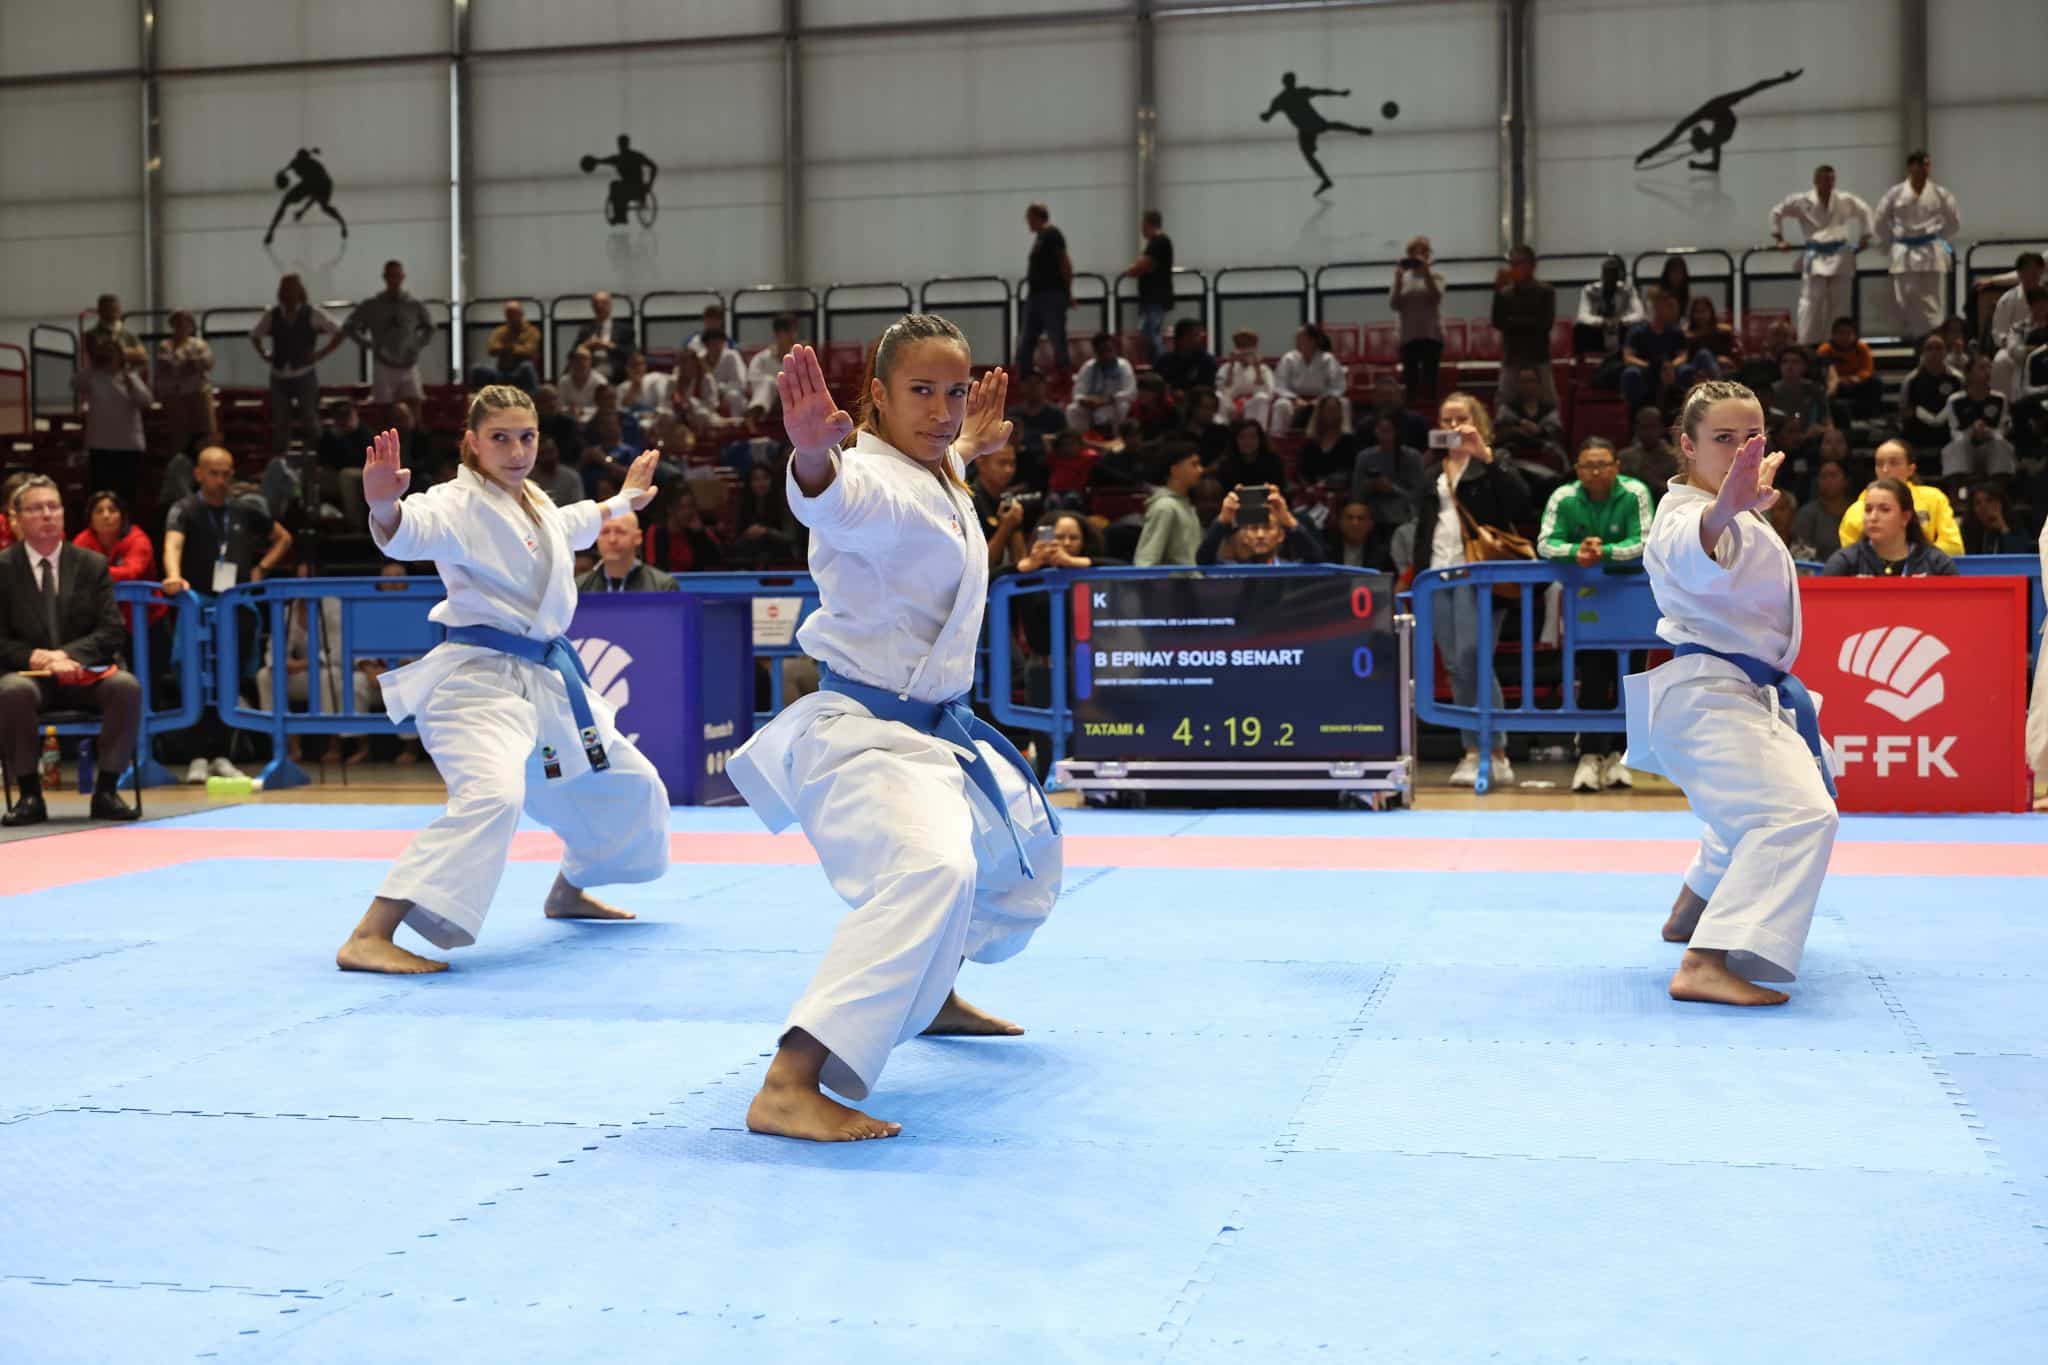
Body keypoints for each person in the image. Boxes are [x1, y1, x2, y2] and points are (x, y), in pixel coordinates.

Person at [726, 320, 1062, 1142]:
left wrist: (970, 444)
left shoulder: (932, 468)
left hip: (934, 731)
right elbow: (834, 499)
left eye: (955, 392)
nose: (944, 410)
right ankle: (791, 1079)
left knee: (1019, 863)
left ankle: (931, 988)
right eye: (921, 391)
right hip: (867, 736)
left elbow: (940, 469)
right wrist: (812, 456)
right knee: (930, 869)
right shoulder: (868, 479)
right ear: (876, 395)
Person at [335, 388, 669, 971]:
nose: (516, 451)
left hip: (541, 680)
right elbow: (412, 529)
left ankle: (569, 889)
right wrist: (385, 506)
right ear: (472, 442)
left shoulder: (533, 500)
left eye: (527, 437)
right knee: (492, 797)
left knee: (629, 781)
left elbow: (571, 524)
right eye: (500, 438)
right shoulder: (456, 503)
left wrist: (623, 502)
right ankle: (370, 932)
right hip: (476, 684)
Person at [1628, 379, 1838, 1005]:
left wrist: (1737, 506)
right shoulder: (1684, 516)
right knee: (1798, 814)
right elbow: (1693, 544)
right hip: (1707, 698)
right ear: (1687, 445)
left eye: (1752, 438)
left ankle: (1690, 912)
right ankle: (1706, 960)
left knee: (1759, 802)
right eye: (1723, 438)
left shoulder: (1739, 509)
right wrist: (1726, 509)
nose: (1741, 451)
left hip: (1734, 692)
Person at [0, 475, 144, 825]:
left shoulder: (91, 564)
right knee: (11, 691)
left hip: (84, 675)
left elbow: (112, 630)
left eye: (54, 507)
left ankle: (106, 791)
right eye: (36, 508)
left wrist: (68, 655)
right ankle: (30, 795)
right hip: (30, 677)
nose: (47, 514)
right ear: (17, 519)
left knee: (126, 686)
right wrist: (33, 656)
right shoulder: (3, 568)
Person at [1411, 393, 1530, 786]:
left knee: (1473, 657)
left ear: (1477, 421)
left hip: (1479, 576)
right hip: (1437, 574)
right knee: (1454, 666)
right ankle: (1472, 751)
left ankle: (1496, 751)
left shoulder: (1493, 462)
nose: (1452, 426)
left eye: (1460, 418)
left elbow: (1520, 503)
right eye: (1445, 419)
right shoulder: (1432, 470)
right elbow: (1424, 527)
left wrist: (1486, 456)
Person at [162, 446, 291, 782]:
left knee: (227, 678)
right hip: (196, 606)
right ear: (199, 474)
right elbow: (173, 544)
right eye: (213, 473)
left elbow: (283, 538)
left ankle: (221, 755)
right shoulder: (184, 509)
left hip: (234, 607)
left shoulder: (244, 509)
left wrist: (262, 568)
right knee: (193, 676)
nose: (220, 480)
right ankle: (196, 757)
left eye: (226, 473)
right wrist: (173, 576)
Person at [1538, 438, 1653, 792]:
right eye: (1589, 465)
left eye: (1603, 464)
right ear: (1577, 469)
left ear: (1617, 466)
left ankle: (1620, 756)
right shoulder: (1564, 497)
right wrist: (1577, 551)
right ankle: (1589, 756)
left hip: (1631, 602)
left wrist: (1605, 552)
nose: (1597, 471)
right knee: (1591, 675)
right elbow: (1545, 543)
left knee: (1630, 677)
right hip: (1587, 604)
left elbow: (1645, 541)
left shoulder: (1635, 493)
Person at [1770, 164, 1873, 344]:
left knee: (1840, 303)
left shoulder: (1843, 199)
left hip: (1840, 255)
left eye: (1832, 180)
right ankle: (1807, 344)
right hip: (1815, 255)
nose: (1830, 183)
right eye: (1826, 180)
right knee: (1811, 302)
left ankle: (1838, 344)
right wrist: (1779, 239)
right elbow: (1776, 212)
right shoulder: (1802, 201)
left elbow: (1865, 210)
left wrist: (1866, 236)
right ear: (1816, 181)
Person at [251, 273, 345, 468]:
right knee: (281, 422)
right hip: (279, 375)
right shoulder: (273, 315)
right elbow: (255, 335)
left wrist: (321, 353)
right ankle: (280, 465)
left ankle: (321, 460)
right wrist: (264, 353)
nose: (289, 293)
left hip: (304, 374)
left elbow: (339, 331)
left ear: (299, 290)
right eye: (285, 289)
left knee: (310, 419)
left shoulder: (312, 313)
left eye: (292, 288)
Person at [1633, 69, 1802, 173]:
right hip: (1723, 128)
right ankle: (1712, 164)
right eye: (1702, 146)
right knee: (1713, 135)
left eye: (1703, 145)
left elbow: (1756, 88)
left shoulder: (1719, 104)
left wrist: (1784, 79)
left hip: (1727, 127)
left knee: (1715, 135)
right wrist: (1648, 153)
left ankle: (1712, 163)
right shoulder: (1701, 115)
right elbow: (1671, 137)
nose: (1703, 148)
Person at [1874, 150, 1962, 341]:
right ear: (1910, 168)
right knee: (1907, 296)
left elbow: (1953, 222)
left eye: (1927, 165)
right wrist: (1890, 242)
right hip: (1904, 251)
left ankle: (1932, 339)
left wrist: (1938, 238)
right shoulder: (1895, 193)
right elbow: (1880, 222)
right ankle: (1920, 336)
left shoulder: (1940, 193)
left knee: (1933, 299)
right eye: (1920, 165)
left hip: (1931, 250)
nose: (1924, 169)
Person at [1836, 439, 1964, 554]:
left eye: (1894, 463)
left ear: (1910, 469)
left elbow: (1954, 547)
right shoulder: (1855, 511)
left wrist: (1912, 557)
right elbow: (1851, 558)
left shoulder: (1934, 498)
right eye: (1879, 464)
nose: (1885, 470)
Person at [1259, 72, 1374, 196]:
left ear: (1283, 82)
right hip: (1311, 123)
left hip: (1305, 127)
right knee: (1329, 126)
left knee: (1311, 152)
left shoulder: (1280, 100)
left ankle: (1325, 180)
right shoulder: (1297, 93)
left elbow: (1267, 117)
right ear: (1294, 81)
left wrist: (1264, 116)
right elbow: (1323, 92)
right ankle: (1356, 130)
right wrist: (1339, 93)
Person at [70, 337, 152, 511]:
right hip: (100, 444)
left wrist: (129, 380)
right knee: (100, 493)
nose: (107, 356)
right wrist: (94, 366)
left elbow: (146, 401)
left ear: (120, 356)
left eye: (111, 352)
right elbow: (75, 383)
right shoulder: (93, 376)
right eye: (104, 352)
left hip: (128, 446)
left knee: (126, 495)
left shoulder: (129, 376)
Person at [1823, 477, 1959, 577]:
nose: (1873, 517)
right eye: (1868, 509)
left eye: (1885, 509)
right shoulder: (1844, 563)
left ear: (1905, 517)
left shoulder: (1938, 564)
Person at [345, 260, 435, 411]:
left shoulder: (413, 304)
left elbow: (430, 327)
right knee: (384, 407)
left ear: (403, 277)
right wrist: (369, 344)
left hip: (408, 361)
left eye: (397, 276)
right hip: (383, 362)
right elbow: (349, 326)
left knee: (414, 402)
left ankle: (414, 427)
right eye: (391, 276)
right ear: (385, 277)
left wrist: (417, 345)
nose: (394, 280)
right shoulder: (372, 305)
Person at [73, 490, 157, 634]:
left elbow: (131, 573)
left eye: (112, 510)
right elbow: (72, 571)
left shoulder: (138, 539)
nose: (106, 516)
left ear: (122, 516)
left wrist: (93, 572)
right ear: (90, 519)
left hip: (147, 617)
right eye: (99, 511)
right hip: (103, 620)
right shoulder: (83, 540)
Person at [1492, 245, 1557, 405]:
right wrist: (1497, 292)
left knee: (1547, 402)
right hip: (1512, 355)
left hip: (1538, 355)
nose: (1513, 268)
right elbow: (1497, 322)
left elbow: (1544, 324)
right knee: (1505, 403)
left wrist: (1512, 322)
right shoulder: (1505, 293)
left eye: (1518, 263)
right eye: (1512, 264)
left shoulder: (1545, 291)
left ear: (1532, 265)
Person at [1620, 291, 1699, 418]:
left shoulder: (1677, 332)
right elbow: (1628, 357)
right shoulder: (1637, 331)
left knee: (1687, 370)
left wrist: (1671, 365)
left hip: (1670, 369)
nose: (1673, 311)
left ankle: (1684, 414)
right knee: (1631, 373)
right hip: (1646, 368)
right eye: (1668, 306)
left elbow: (1683, 356)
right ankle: (1635, 416)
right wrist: (1649, 366)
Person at [1199, 485, 1325, 565]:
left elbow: (1316, 559)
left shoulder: (1290, 571)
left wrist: (1287, 520)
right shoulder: (1234, 571)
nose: (1260, 535)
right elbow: (1204, 560)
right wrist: (1223, 520)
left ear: (1281, 535)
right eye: (1253, 529)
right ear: (1244, 536)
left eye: (1268, 528)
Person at [1016, 202, 1072, 376]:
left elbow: (1064, 262)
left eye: (1029, 218)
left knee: (1057, 337)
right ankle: (1025, 374)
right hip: (1036, 296)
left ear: (1037, 217)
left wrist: (1068, 292)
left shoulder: (1052, 235)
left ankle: (1063, 373)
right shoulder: (1039, 238)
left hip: (1051, 295)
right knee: (1027, 339)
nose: (1028, 222)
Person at [1938, 356, 2015, 479]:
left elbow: (2001, 428)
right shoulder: (1955, 400)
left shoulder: (2000, 399)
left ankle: (1999, 486)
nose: (1987, 372)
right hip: (1966, 446)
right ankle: (1958, 488)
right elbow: (1955, 431)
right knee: (1957, 445)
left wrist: (1988, 432)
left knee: (2000, 443)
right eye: (1982, 368)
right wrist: (1972, 431)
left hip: (1991, 445)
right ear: (1968, 373)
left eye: (1989, 367)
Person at [155, 310, 218, 460]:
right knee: (179, 437)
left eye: (185, 322)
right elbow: (165, 365)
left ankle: (207, 464)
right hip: (174, 397)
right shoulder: (165, 345)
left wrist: (184, 364)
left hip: (198, 394)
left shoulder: (199, 344)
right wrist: (187, 363)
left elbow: (207, 363)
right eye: (177, 322)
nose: (181, 325)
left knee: (205, 435)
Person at [1391, 236, 1446, 402]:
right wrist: (1397, 279)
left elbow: (1436, 298)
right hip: (1408, 336)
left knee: (1430, 383)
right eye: (1415, 252)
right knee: (1411, 384)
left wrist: (1426, 273)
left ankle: (1431, 413)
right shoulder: (1403, 278)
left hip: (1431, 335)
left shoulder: (1437, 276)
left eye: (1424, 252)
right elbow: (1394, 304)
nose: (1419, 256)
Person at [574, 506, 677, 593]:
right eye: (605, 532)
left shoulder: (663, 586)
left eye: (620, 532)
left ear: (638, 538)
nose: (612, 539)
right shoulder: (579, 587)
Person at [1351, 411, 1425, 530]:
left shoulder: (1412, 457)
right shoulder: (1364, 457)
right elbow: (1356, 496)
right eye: (1381, 430)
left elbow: (1419, 495)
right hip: (1371, 517)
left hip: (1404, 517)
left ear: (1397, 431)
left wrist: (1392, 488)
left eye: (1388, 430)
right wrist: (1369, 486)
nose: (1384, 435)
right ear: (1375, 431)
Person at [1134, 444, 1204, 568]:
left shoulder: (1186, 505)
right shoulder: (1165, 507)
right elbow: (1146, 561)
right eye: (1194, 464)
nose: (1200, 470)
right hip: (1177, 580)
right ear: (1175, 470)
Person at [1269, 324, 1347, 434]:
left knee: (1344, 403)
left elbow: (1338, 385)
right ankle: (1279, 438)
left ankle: (1342, 437)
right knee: (1281, 405)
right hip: (1294, 400)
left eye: (1300, 339)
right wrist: (1295, 399)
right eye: (1296, 339)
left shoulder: (1328, 359)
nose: (1296, 342)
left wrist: (1320, 400)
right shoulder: (1288, 358)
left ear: (1313, 341)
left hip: (1322, 400)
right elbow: (1280, 384)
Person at [1123, 210, 1176, 364]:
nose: (1141, 229)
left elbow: (1141, 266)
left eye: (1143, 224)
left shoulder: (1158, 242)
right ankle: (1155, 363)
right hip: (1153, 297)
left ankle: (1163, 363)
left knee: (1151, 334)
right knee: (1149, 334)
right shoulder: (1157, 242)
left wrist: (1132, 269)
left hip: (1155, 297)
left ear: (1147, 224)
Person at [1493, 368, 1567, 477]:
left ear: (1539, 384)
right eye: (1523, 381)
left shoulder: (1549, 409)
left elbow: (1556, 431)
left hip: (1543, 448)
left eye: (1531, 381)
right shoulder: (1507, 409)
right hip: (1513, 452)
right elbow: (1497, 433)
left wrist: (1540, 430)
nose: (1527, 385)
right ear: (1517, 385)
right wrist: (1516, 430)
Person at [264, 148, 347, 245]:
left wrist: (302, 211)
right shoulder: (295, 163)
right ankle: (271, 231)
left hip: (324, 184)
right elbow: (285, 170)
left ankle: (342, 223)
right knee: (284, 202)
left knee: (324, 207)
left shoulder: (316, 169)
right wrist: (281, 174)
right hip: (308, 182)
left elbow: (314, 197)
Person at [1899, 334, 1964, 453]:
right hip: (1919, 431)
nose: (1934, 352)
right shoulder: (1911, 380)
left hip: (1948, 431)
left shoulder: (1957, 378)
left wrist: (1943, 416)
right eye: (1929, 348)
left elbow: (1963, 407)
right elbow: (1904, 410)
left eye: (1939, 348)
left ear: (1946, 352)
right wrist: (1922, 415)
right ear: (1923, 353)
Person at [730, 462, 802, 569]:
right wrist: (748, 533)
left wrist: (766, 531)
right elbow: (736, 535)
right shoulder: (743, 502)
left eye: (765, 478)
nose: (761, 483)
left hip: (781, 549)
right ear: (749, 483)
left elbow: (790, 536)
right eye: (755, 479)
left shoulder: (784, 501)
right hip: (752, 550)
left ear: (772, 480)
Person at [1573, 255, 1646, 359]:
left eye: (1613, 276)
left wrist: (1621, 321)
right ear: (1602, 275)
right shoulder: (1590, 290)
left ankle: (1629, 355)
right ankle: (1584, 360)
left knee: (1639, 326)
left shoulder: (1627, 290)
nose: (1610, 279)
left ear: (1618, 277)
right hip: (1598, 332)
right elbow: (1582, 315)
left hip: (1621, 330)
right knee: (1580, 327)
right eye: (1607, 275)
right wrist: (1602, 321)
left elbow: (1640, 314)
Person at [1816, 315, 1883, 426]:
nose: (1844, 337)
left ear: (1855, 335)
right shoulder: (1825, 350)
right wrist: (1838, 381)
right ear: (1833, 335)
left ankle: (1870, 416)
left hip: (1855, 382)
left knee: (1876, 382)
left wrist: (1855, 378)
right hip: (1834, 385)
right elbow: (1821, 371)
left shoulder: (1862, 348)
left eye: (1848, 333)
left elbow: (1867, 369)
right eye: (1840, 333)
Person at [642, 484, 724, 573]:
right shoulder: (656, 531)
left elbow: (716, 563)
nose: (688, 512)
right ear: (670, 509)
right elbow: (653, 566)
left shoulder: (697, 530)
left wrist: (700, 534)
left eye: (691, 506)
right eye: (683, 507)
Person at [1066, 333, 1137, 433]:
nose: (1106, 354)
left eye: (1109, 349)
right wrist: (1085, 400)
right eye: (1101, 351)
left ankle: (1114, 438)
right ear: (1096, 352)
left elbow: (1131, 392)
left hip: (1113, 403)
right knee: (1072, 410)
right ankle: (1082, 439)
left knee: (1118, 408)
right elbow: (1077, 392)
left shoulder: (1123, 365)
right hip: (1091, 404)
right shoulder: (1088, 366)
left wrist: (1108, 399)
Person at [472, 300, 542, 393]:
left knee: (527, 366)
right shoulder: (500, 331)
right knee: (477, 369)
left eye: (513, 314)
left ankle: (533, 397)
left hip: (519, 372)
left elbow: (529, 351)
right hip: (501, 372)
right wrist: (515, 348)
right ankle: (479, 398)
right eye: (508, 314)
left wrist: (507, 348)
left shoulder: (532, 331)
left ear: (521, 314)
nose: (510, 317)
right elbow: (492, 349)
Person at [1618, 402, 1680, 505]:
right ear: (1636, 429)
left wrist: (1655, 482)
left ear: (1661, 428)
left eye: (1653, 427)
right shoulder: (1624, 457)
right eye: (1644, 427)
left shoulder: (1675, 458)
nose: (1648, 432)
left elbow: (1680, 490)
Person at [1792, 453, 1854, 553]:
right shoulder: (1807, 513)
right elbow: (1801, 553)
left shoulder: (1857, 510)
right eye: (1823, 476)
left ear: (1846, 481)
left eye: (1833, 475)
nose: (1828, 480)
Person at [591, 134, 657, 227]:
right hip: (637, 189)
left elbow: (605, 160)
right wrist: (650, 184)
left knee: (614, 185)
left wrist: (650, 184)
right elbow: (653, 166)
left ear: (620, 144)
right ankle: (621, 216)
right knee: (617, 186)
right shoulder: (633, 156)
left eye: (621, 144)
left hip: (633, 189)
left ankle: (620, 216)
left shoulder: (621, 158)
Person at [1217, 329, 1278, 428]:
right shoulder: (1226, 367)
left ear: (1255, 348)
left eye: (1247, 346)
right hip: (1231, 406)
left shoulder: (1264, 369)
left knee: (1262, 397)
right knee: (1218, 396)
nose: (1244, 351)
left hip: (1253, 406)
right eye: (1240, 346)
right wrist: (1231, 367)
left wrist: (1257, 369)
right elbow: (1223, 391)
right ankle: (1221, 430)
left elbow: (1269, 393)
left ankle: (1259, 432)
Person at [574, 290, 636, 384]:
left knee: (598, 373)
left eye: (603, 303)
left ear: (611, 305)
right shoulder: (585, 330)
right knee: (568, 378)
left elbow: (631, 354)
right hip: (589, 365)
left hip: (613, 366)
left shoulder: (624, 330)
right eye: (596, 303)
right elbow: (572, 354)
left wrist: (609, 346)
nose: (599, 306)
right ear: (592, 307)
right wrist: (586, 345)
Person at [1298, 394, 1361, 487]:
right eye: (1328, 409)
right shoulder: (1310, 443)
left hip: (1340, 490)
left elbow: (1352, 470)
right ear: (1321, 413)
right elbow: (1303, 472)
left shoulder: (1349, 441)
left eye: (1335, 410)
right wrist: (1310, 488)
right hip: (1314, 490)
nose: (1332, 413)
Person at [747, 315, 801, 419]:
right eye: (788, 331)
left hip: (792, 397)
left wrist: (778, 386)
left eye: (794, 331)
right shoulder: (761, 358)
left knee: (770, 382)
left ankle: (754, 414)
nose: (792, 335)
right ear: (777, 334)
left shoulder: (798, 358)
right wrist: (774, 386)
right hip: (767, 398)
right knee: (768, 382)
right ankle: (756, 412)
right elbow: (752, 379)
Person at [1989, 253, 2046, 346]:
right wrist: (2015, 345)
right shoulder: (2007, 300)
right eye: (2027, 270)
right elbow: (1999, 333)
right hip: (2014, 347)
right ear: (2019, 273)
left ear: (2041, 271)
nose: (2031, 274)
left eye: (2035, 270)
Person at [1215, 418, 1286, 493]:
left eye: (1252, 437)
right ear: (1235, 440)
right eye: (1242, 437)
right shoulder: (1227, 464)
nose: (1247, 441)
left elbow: (1279, 490)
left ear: (1260, 439)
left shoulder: (1273, 462)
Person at [1965, 482, 2032, 555]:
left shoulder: (2015, 527)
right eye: (1977, 503)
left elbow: (2019, 557)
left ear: (2000, 503)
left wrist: (2003, 528)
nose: (1983, 506)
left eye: (1989, 500)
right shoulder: (1968, 532)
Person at [1328, 499, 1396, 571]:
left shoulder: (1382, 553)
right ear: (1340, 522)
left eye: (1361, 518)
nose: (1355, 523)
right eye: (1349, 518)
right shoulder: (1326, 548)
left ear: (1371, 524)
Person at [1154, 319, 1217, 394]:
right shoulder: (1164, 361)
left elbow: (1208, 390)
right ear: (1181, 338)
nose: (1199, 339)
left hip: (1195, 400)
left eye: (1200, 335)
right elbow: (1156, 384)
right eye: (1196, 335)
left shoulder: (1207, 361)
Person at [85, 293, 148, 368]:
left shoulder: (128, 334)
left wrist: (121, 352)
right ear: (100, 311)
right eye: (110, 309)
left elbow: (143, 356)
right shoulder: (91, 335)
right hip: (103, 373)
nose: (115, 312)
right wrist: (131, 353)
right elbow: (106, 357)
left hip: (127, 372)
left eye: (116, 308)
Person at [698, 328, 748, 416]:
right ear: (706, 345)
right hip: (704, 396)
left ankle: (737, 423)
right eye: (714, 344)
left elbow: (741, 383)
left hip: (727, 395)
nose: (718, 347)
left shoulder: (732, 356)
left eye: (721, 343)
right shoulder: (698, 358)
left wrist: (720, 389)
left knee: (735, 396)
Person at [1684, 298, 1736, 377]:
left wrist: (1719, 359)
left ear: (1711, 312)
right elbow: (1687, 357)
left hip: (1716, 366)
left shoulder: (1722, 332)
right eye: (1697, 312)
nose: (1701, 316)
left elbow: (1728, 354)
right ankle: (1718, 381)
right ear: (1692, 314)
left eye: (1703, 311)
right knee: (1703, 354)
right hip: (1694, 367)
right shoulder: (1688, 335)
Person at [557, 347, 609, 424]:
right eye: (576, 359)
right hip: (568, 422)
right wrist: (569, 410)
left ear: (590, 362)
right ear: (571, 362)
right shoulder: (563, 381)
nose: (580, 363)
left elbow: (603, 408)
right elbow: (559, 406)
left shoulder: (600, 382)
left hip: (594, 423)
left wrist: (582, 410)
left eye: (584, 359)